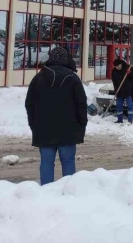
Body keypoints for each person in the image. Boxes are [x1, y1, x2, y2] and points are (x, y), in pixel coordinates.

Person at [25, 46, 87, 184]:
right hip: (69, 130)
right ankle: (68, 192)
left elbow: (30, 104)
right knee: (68, 163)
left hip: (44, 129)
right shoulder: (73, 78)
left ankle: (47, 192)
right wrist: (82, 124)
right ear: (65, 59)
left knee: (46, 164)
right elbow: (81, 104)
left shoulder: (38, 78)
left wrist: (33, 124)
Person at [111, 57, 133, 124]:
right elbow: (114, 82)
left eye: (118, 66)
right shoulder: (114, 71)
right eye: (115, 66)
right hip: (120, 91)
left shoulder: (128, 68)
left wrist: (130, 73)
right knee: (119, 105)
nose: (117, 68)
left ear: (121, 64)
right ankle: (119, 120)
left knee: (130, 105)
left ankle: (130, 120)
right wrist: (116, 90)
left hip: (129, 90)